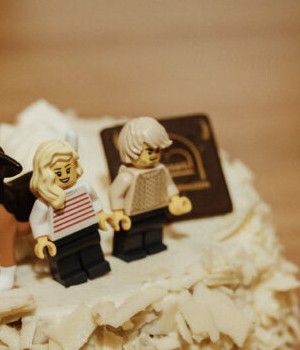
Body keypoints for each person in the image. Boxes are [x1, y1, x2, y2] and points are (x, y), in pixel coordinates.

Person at [29, 139, 114, 287]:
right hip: (61, 237)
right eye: (58, 172)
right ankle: (70, 274)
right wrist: (42, 239)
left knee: (92, 248)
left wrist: (101, 215)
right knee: (66, 257)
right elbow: (37, 221)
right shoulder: (45, 202)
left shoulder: (84, 186)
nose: (65, 175)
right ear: (45, 174)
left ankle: (96, 266)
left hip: (88, 228)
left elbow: (94, 201)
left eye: (68, 170)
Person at [107, 116, 192, 261]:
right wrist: (118, 212)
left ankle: (153, 244)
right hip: (133, 214)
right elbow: (115, 193)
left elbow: (169, 185)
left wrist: (175, 199)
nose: (155, 155)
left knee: (155, 227)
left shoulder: (162, 170)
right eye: (149, 151)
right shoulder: (127, 176)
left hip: (157, 208)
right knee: (132, 233)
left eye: (157, 150)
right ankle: (130, 249)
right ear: (131, 150)